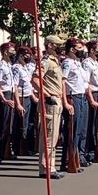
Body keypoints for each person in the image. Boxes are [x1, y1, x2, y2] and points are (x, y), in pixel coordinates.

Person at [35, 38, 65, 179]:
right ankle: (46, 167)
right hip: (50, 100)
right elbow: (35, 79)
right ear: (51, 45)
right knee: (49, 136)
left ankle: (50, 166)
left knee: (53, 137)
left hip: (56, 99)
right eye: (58, 45)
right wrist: (47, 96)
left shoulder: (55, 61)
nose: (61, 47)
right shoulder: (46, 61)